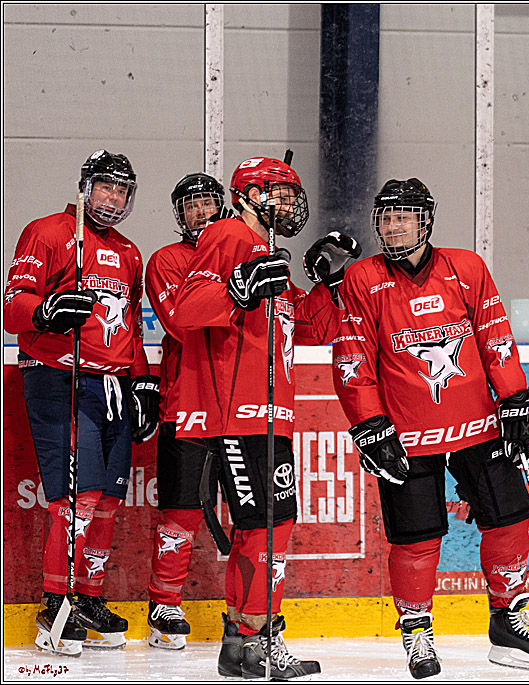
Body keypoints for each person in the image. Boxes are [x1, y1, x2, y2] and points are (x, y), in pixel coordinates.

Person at [331, 178, 529, 679]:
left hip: (480, 423)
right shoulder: (363, 279)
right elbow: (352, 358)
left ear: (426, 221)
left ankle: (509, 619)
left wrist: (515, 397)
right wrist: (369, 424)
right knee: (417, 539)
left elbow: (494, 334)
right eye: (386, 217)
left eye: (403, 217)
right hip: (407, 432)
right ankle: (416, 629)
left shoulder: (467, 267)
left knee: (509, 520)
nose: (392, 227)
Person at [172, 156, 354, 680]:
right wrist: (236, 289)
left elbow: (310, 328)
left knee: (265, 527)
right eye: (279, 193)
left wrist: (328, 283)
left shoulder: (266, 249)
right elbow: (187, 311)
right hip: (239, 413)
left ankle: (242, 643)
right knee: (267, 528)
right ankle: (256, 641)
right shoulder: (229, 235)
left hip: (269, 414)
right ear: (249, 194)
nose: (289, 204)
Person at [3, 150, 160, 655]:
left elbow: (132, 328)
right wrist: (45, 311)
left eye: (122, 191)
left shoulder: (131, 252)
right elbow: (13, 305)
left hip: (111, 387)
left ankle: (88, 597)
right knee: (76, 501)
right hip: (58, 378)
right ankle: (56, 606)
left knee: (109, 501)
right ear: (85, 187)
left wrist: (143, 382)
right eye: (106, 188)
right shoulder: (48, 232)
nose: (112, 199)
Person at [143, 173, 233, 649]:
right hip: (187, 402)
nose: (201, 212)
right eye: (191, 205)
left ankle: (248, 614)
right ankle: (164, 605)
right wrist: (236, 293)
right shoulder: (166, 260)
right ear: (179, 214)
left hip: (244, 405)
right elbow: (182, 322)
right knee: (181, 512)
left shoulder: (246, 252)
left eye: (208, 203)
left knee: (253, 515)